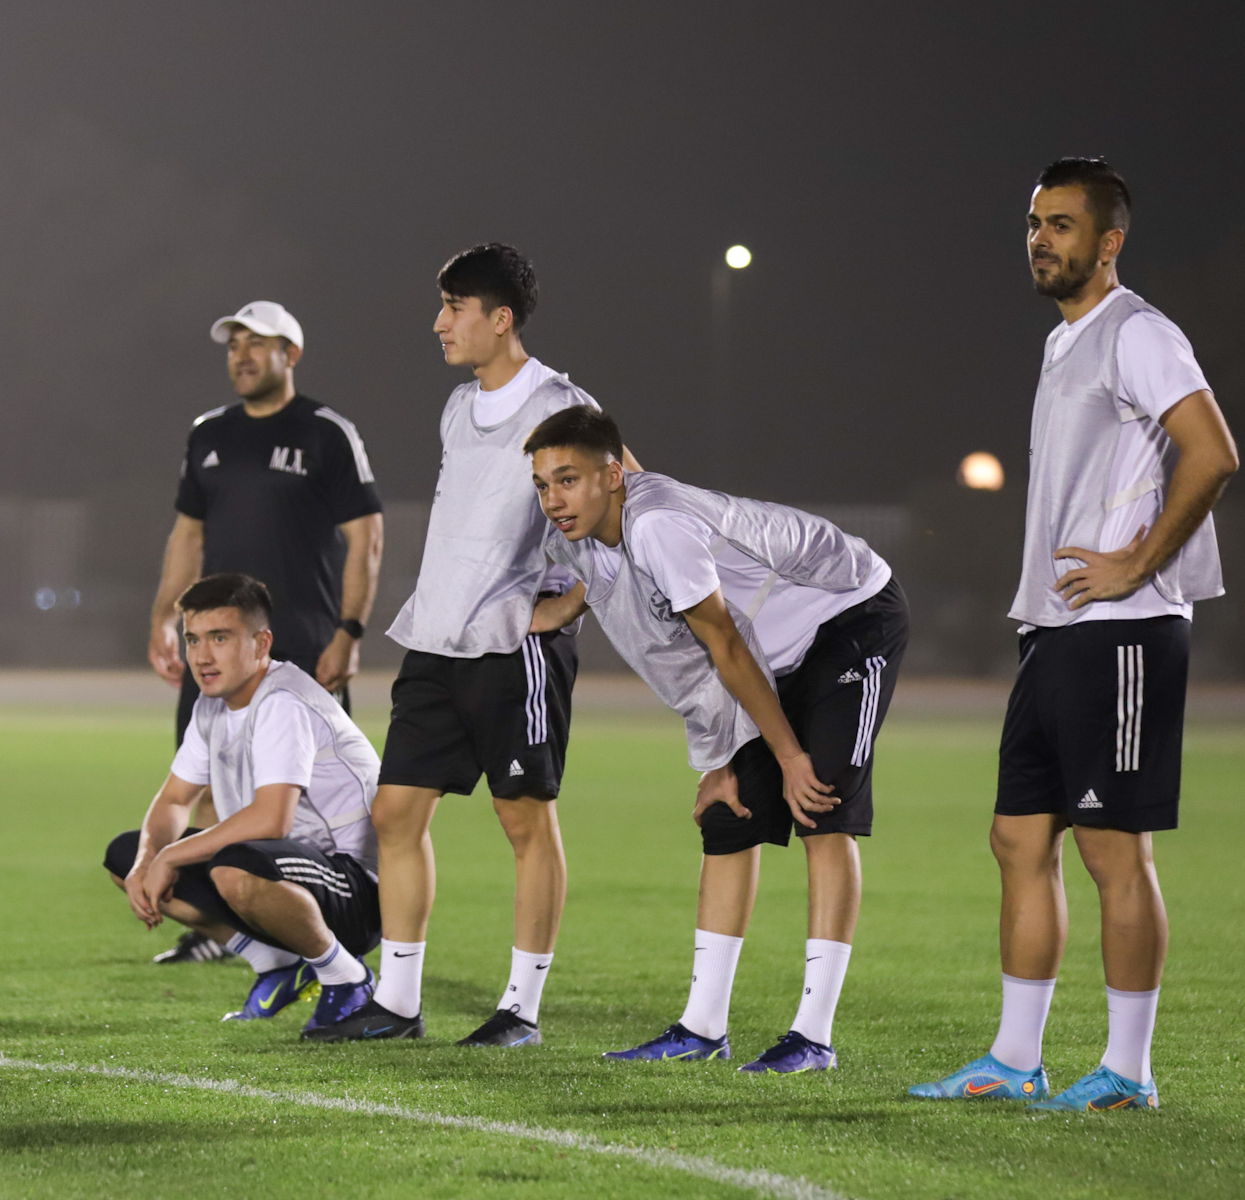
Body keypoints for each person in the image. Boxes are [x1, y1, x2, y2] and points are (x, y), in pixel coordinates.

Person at [911, 159, 1235, 1112]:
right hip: (1053, 629)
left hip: (1124, 631)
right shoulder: (1065, 344)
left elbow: (1214, 453)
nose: (1040, 239)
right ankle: (1015, 1060)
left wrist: (1137, 564)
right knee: (1017, 840)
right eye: (1033, 223)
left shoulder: (1139, 332)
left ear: (1110, 242)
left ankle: (1129, 1073)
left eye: (1061, 224)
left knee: (1111, 852)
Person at [307, 244, 636, 1047]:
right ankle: (401, 1003)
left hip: (512, 647)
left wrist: (569, 608)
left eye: (455, 307)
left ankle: (520, 1010)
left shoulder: (561, 401)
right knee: (395, 812)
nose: (439, 322)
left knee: (522, 821)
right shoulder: (458, 406)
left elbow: (632, 501)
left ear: (501, 318)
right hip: (437, 637)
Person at [523, 406, 907, 1073]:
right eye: (542, 485)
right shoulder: (595, 539)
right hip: (771, 654)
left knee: (819, 805)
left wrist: (787, 756)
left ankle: (813, 1037)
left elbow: (722, 644)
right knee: (730, 817)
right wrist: (725, 757)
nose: (553, 499)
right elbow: (693, 655)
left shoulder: (658, 528)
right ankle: (701, 1028)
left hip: (848, 613)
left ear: (613, 476)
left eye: (568, 479)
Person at [144, 300, 384, 965]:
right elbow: (187, 535)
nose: (242, 355)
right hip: (218, 646)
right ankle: (234, 934)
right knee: (218, 786)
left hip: (303, 644)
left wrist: (350, 630)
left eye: (259, 343)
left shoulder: (326, 433)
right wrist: (167, 616)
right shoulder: (208, 434)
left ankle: (335, 922)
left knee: (310, 799)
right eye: (234, 345)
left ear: (292, 355)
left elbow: (366, 535)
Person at [104, 574, 383, 1034]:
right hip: (281, 872)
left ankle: (346, 976)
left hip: (357, 890)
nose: (201, 655)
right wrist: (146, 859)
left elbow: (272, 819)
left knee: (232, 866)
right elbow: (175, 797)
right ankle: (274, 965)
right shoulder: (212, 706)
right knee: (125, 855)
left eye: (220, 638)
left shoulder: (283, 700)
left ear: (261, 643)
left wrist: (171, 855)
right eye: (193, 639)